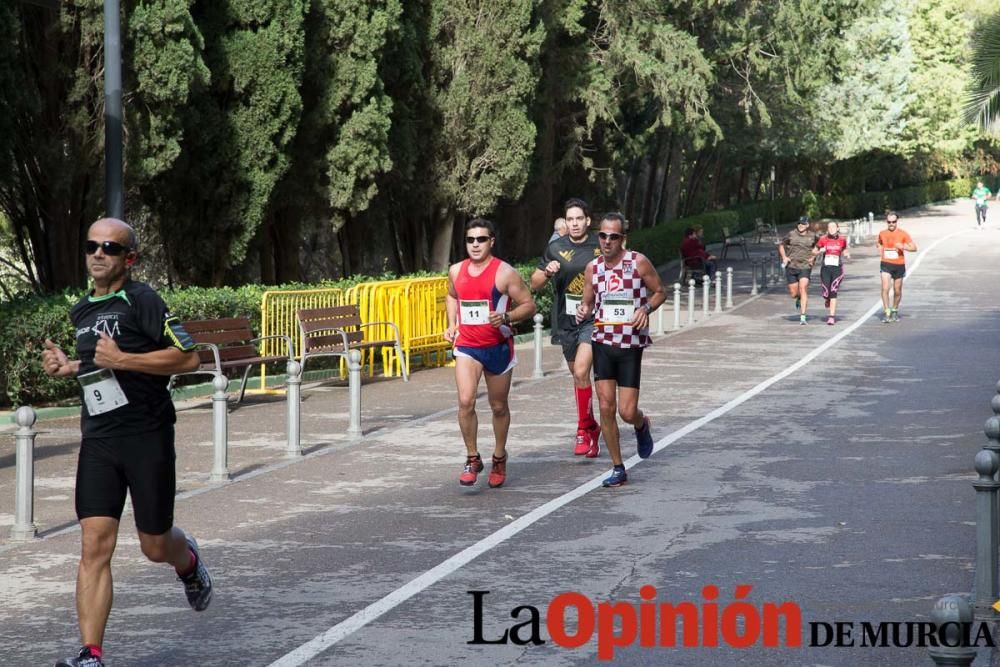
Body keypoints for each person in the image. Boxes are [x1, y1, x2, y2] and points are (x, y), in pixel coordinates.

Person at [42, 218, 213, 667]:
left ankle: (188, 561)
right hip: (99, 439)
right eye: (92, 245)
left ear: (128, 259)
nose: (99, 254)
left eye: (110, 248)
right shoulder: (80, 310)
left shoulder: (143, 300)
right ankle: (91, 656)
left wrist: (125, 358)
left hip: (146, 436)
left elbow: (189, 356)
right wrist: (70, 368)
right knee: (94, 543)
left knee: (154, 546)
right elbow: (99, 367)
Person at [445, 218, 537, 488]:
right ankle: (472, 457)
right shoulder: (456, 271)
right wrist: (451, 324)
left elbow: (529, 305)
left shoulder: (504, 273)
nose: (475, 245)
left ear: (491, 241)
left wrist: (507, 317)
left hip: (497, 347)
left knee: (498, 406)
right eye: (470, 240)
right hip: (468, 346)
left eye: (481, 239)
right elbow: (452, 296)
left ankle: (499, 456)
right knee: (465, 401)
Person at [576, 212, 666, 488]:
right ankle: (618, 467)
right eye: (602, 235)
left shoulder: (637, 262)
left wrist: (646, 308)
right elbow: (588, 302)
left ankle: (641, 424)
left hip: (629, 343)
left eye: (613, 236)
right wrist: (583, 310)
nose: (607, 241)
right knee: (606, 406)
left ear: (622, 239)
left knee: (626, 412)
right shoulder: (593, 268)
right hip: (602, 341)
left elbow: (660, 291)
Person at [531, 198, 602, 457]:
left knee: (582, 369)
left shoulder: (600, 245)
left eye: (578, 219)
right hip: (566, 319)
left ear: (587, 221)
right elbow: (535, 283)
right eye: (570, 219)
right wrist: (547, 272)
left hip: (593, 319)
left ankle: (583, 429)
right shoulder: (556, 247)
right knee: (578, 376)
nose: (574, 223)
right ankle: (592, 426)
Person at [876, 211, 917, 323]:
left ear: (897, 221)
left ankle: (894, 309)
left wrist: (903, 247)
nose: (891, 224)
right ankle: (887, 312)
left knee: (897, 290)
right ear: (886, 222)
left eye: (893, 222)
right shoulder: (882, 233)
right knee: (885, 288)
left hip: (899, 265)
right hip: (886, 264)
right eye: (889, 222)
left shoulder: (903, 233)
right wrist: (880, 248)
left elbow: (914, 248)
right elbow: (879, 243)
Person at [778, 216, 818, 325]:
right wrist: (784, 257)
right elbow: (781, 245)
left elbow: (817, 247)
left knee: (803, 287)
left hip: (805, 266)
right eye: (799, 223)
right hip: (791, 266)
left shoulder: (813, 236)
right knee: (794, 293)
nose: (801, 225)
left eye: (803, 224)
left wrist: (813, 258)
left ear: (808, 225)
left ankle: (803, 316)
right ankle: (798, 298)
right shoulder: (791, 234)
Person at [813, 222, 849, 325]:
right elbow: (813, 251)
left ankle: (831, 317)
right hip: (825, 269)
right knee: (826, 292)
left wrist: (846, 254)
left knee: (833, 290)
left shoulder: (842, 240)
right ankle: (827, 298)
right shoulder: (823, 239)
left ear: (838, 228)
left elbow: (844, 249)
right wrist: (820, 250)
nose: (831, 229)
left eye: (833, 227)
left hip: (837, 269)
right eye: (829, 227)